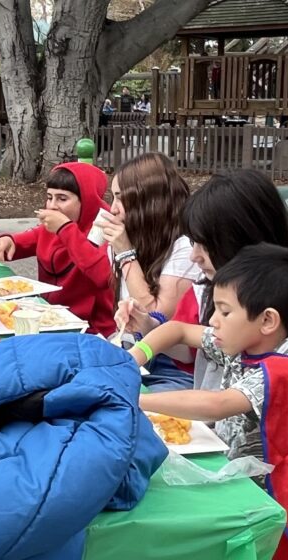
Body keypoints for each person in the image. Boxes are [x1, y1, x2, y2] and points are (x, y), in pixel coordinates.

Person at [116, 169, 288, 488]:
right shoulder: (212, 286)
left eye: (204, 243)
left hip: (275, 482)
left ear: (244, 239)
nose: (195, 256)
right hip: (211, 454)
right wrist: (143, 331)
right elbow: (186, 342)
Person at [131, 244, 288, 560]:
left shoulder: (284, 370)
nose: (213, 320)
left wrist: (139, 399)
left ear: (267, 321)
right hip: (233, 477)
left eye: (225, 311)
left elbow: (218, 404)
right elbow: (178, 329)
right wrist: (133, 359)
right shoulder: (246, 341)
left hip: (269, 499)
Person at [100, 152, 202, 389]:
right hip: (132, 349)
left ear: (146, 201)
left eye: (120, 198)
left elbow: (156, 317)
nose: (112, 209)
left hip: (172, 366)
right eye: (112, 197)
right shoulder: (130, 240)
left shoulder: (185, 248)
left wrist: (125, 254)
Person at [0, 162, 116, 335]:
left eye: (62, 199)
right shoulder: (52, 228)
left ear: (87, 200)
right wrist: (6, 240)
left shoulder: (105, 229)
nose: (52, 206)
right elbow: (25, 240)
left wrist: (66, 229)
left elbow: (103, 276)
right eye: (49, 197)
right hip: (49, 320)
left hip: (90, 331)